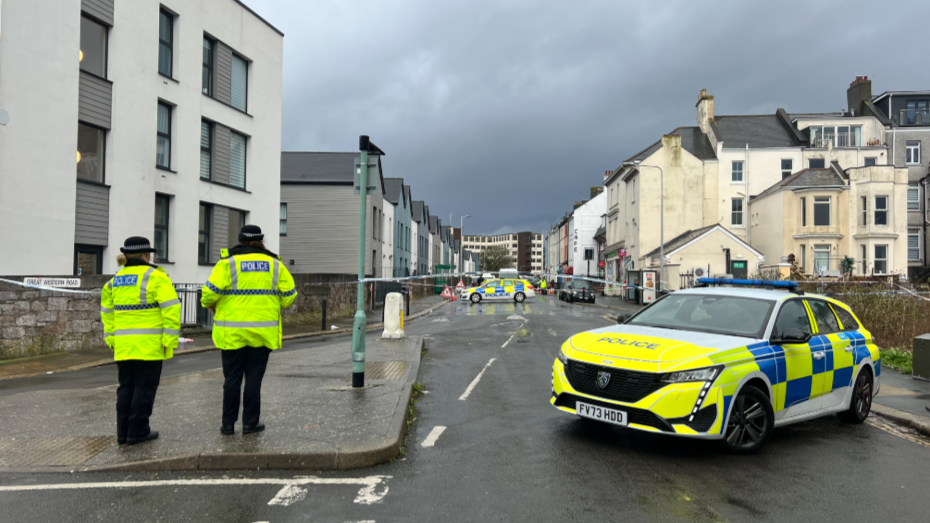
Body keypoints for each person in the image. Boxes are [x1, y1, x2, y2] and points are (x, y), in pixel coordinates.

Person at [202, 225, 297, 435]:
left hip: (232, 333)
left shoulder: (227, 263)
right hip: (262, 332)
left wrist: (214, 305)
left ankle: (228, 425)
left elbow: (207, 295)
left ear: (240, 241)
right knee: (254, 379)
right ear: (261, 241)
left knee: (232, 379)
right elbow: (290, 294)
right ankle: (250, 423)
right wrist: (272, 303)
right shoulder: (274, 264)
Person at [101, 237, 180, 445]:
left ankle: (123, 433)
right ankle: (138, 431)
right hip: (149, 345)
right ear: (146, 256)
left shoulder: (114, 281)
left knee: (126, 388)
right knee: (144, 388)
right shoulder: (156, 277)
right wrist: (170, 340)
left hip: (123, 345)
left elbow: (107, 314)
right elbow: (171, 309)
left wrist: (111, 339)